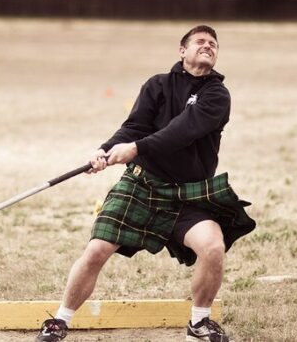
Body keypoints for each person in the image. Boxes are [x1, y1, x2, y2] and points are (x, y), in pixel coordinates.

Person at [35, 25, 256, 342]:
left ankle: (199, 323)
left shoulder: (216, 94)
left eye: (213, 44)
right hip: (142, 184)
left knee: (213, 248)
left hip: (188, 192)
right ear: (182, 51)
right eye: (200, 42)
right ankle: (59, 321)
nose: (208, 46)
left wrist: (136, 149)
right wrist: (106, 149)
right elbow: (134, 126)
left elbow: (183, 130)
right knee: (97, 249)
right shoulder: (158, 85)